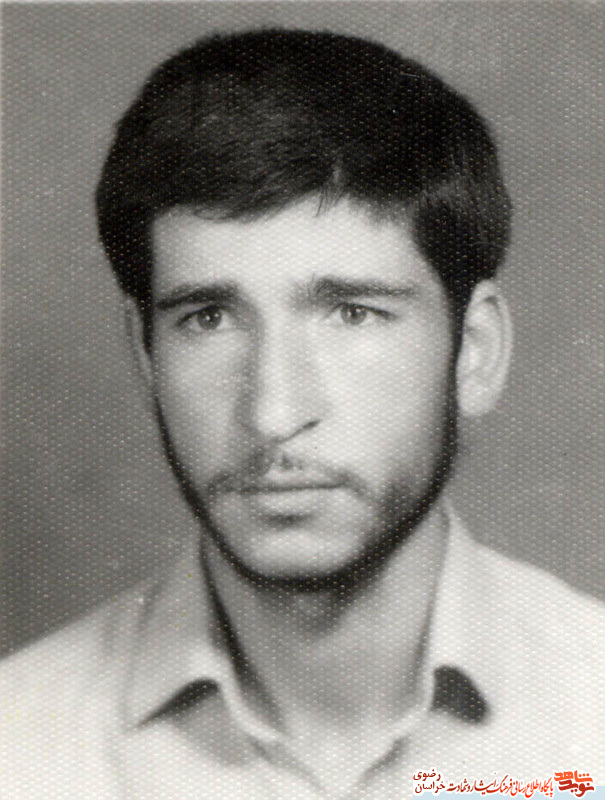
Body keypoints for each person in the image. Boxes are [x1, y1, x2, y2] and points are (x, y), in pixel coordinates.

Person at [2, 28, 604, 799]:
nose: (272, 412)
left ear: (473, 352)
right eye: (208, 318)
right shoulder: (17, 746)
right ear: (146, 354)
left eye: (352, 313)